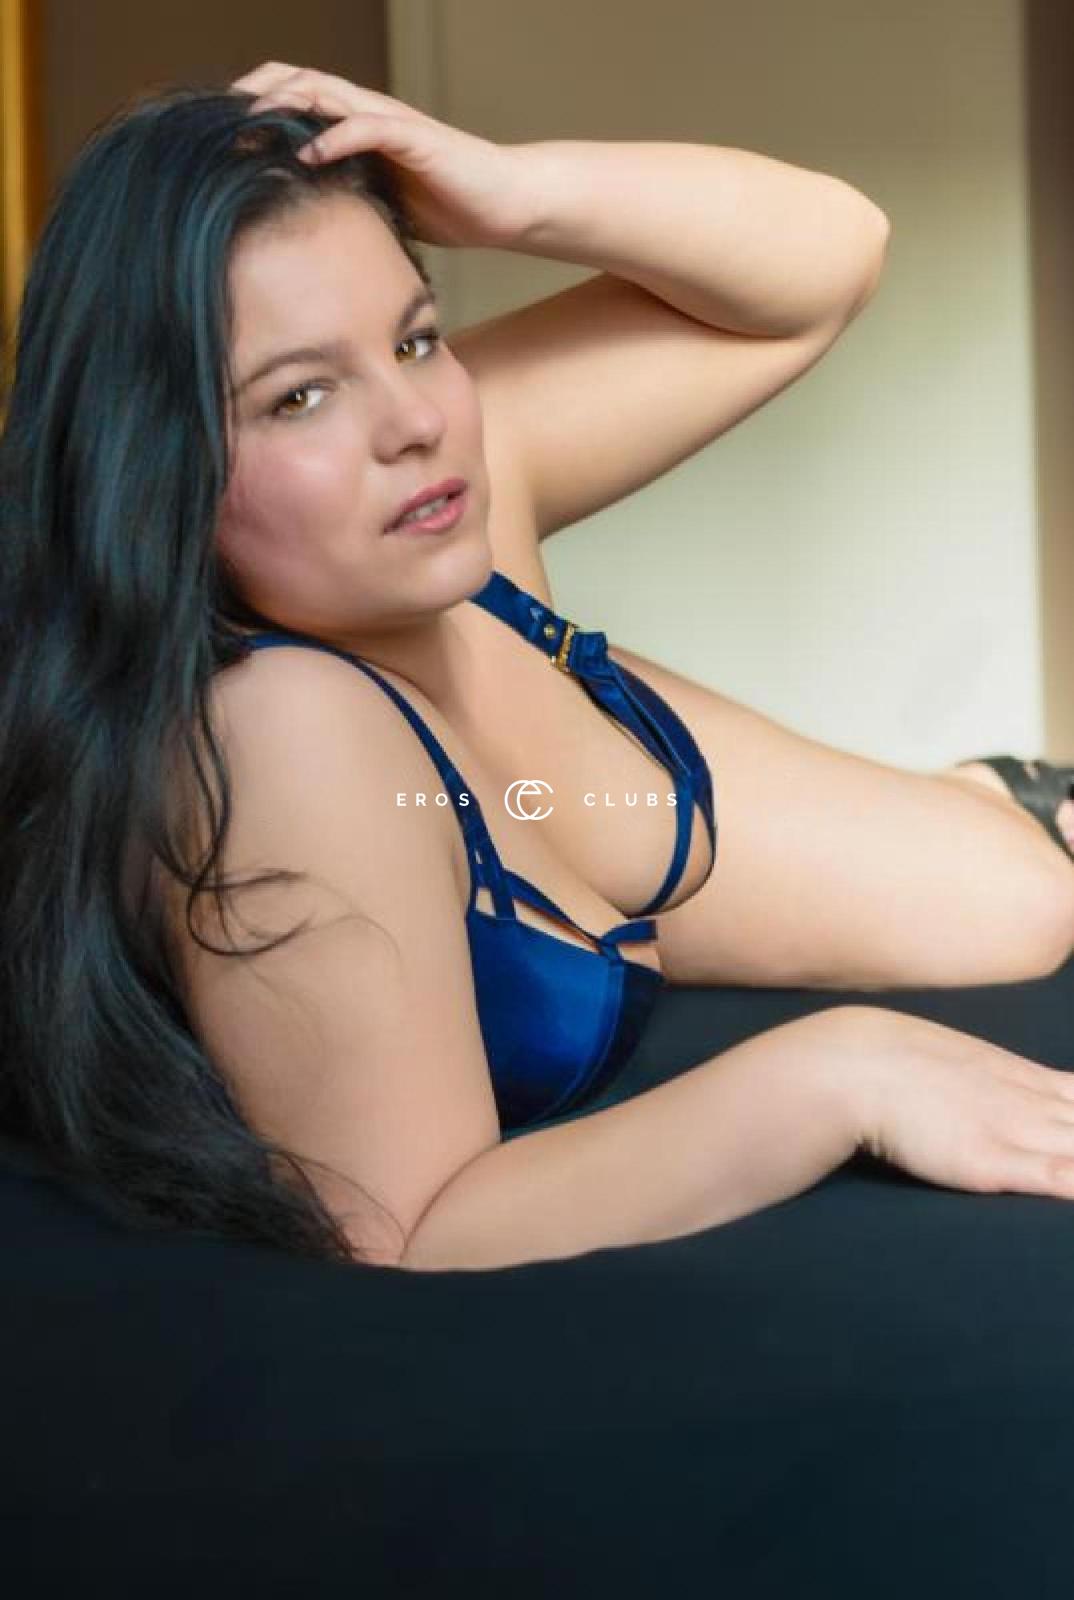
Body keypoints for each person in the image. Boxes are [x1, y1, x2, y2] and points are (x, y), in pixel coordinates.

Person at [1, 64, 1073, 1276]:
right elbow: (403, 1229)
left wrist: (513, 190)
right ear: (155, 470)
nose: (413, 420)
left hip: (1029, 826)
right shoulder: (284, 728)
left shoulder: (444, 491)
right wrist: (842, 1071)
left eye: (416, 337)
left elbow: (833, 256)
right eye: (298, 395)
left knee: (1023, 900)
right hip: (997, 867)